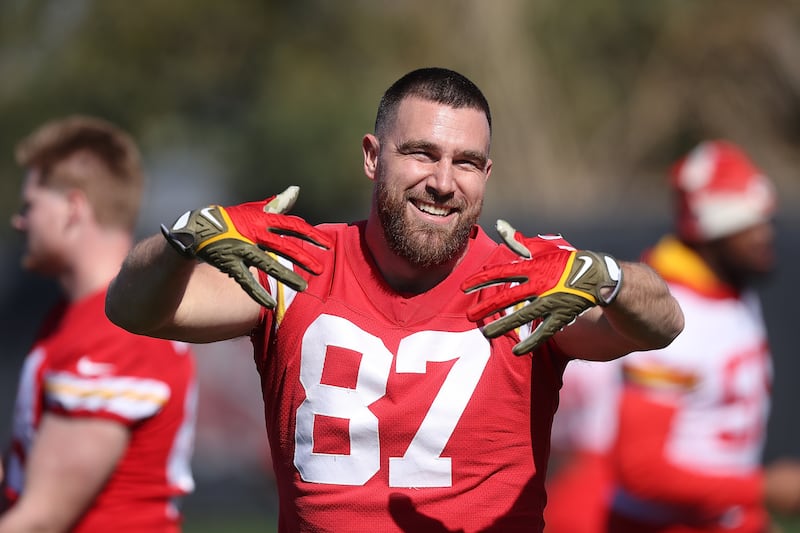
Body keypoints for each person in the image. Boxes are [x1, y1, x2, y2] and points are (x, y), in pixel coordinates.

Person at [105, 67, 683, 533]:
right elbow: (131, 308)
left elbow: (661, 324)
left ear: (486, 173)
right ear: (371, 156)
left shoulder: (525, 282)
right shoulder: (300, 264)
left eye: (465, 163)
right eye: (422, 153)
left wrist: (607, 277)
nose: (443, 182)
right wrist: (183, 238)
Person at [1, 116, 197, 532]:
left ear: (73, 208)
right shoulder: (73, 316)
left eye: (30, 206)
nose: (20, 222)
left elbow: (40, 519)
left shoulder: (118, 331)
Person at [607, 140, 800, 532]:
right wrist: (761, 490)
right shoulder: (671, 314)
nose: (764, 235)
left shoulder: (735, 290)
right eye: (748, 224)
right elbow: (641, 470)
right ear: (709, 229)